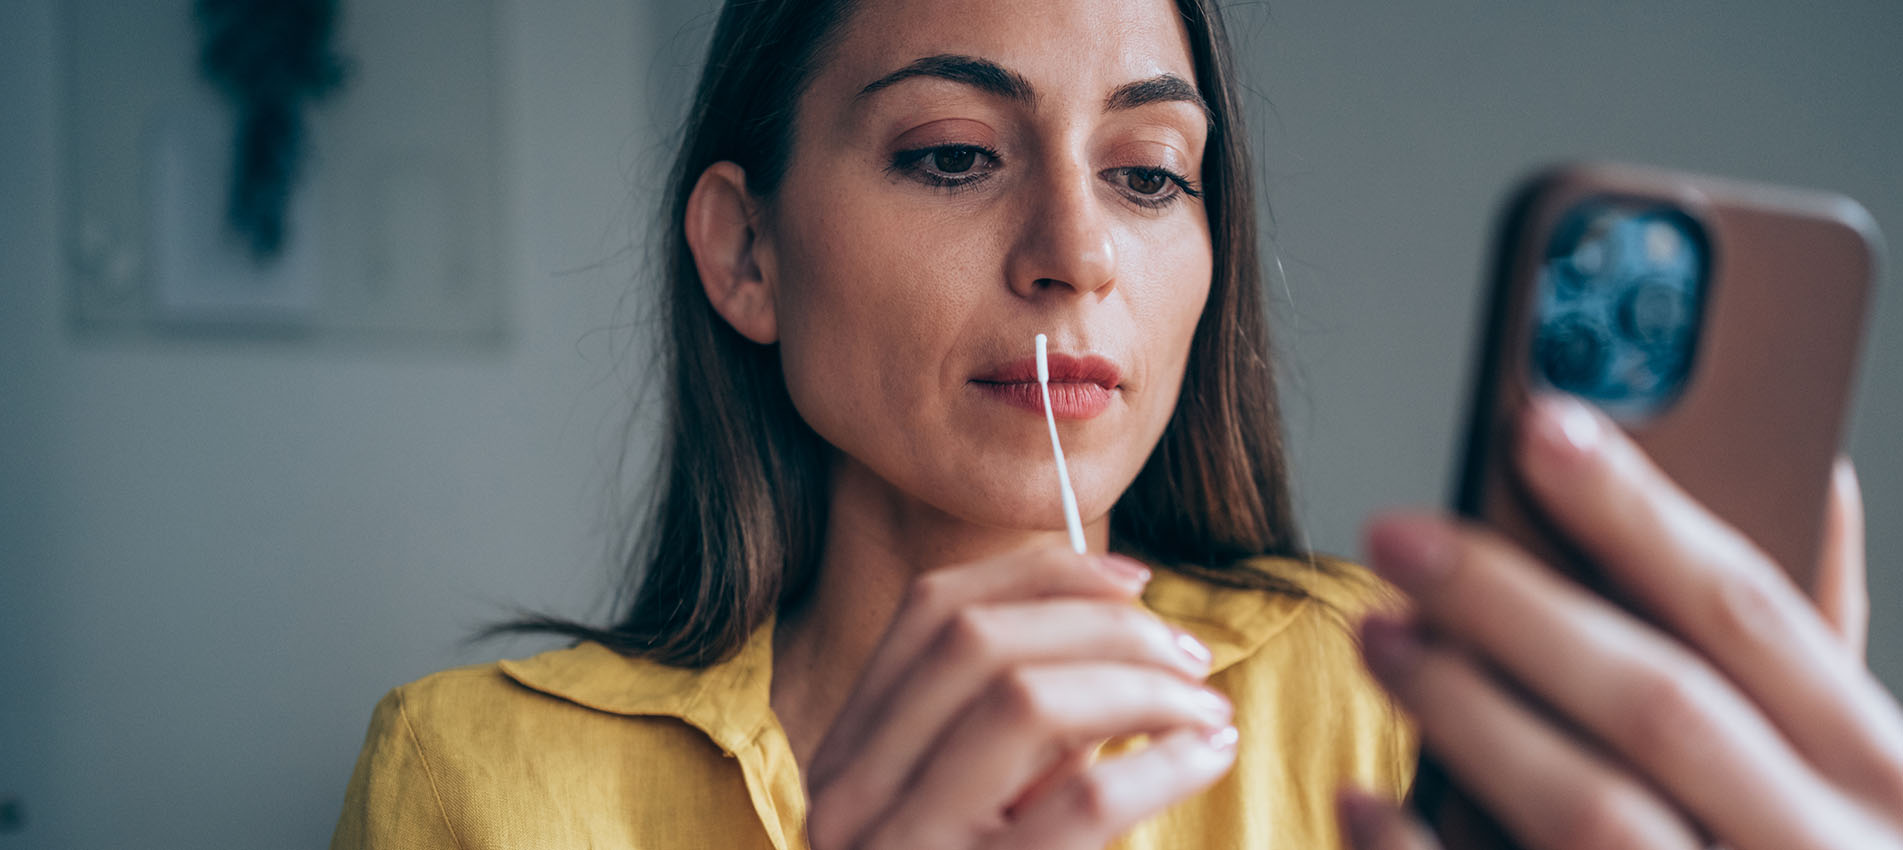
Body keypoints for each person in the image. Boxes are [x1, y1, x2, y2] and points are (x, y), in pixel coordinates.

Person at [329, 0, 1903, 848]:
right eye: (952, 153)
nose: (1076, 251)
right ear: (747, 252)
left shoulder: (1393, 693)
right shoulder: (477, 780)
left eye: (1150, 174)